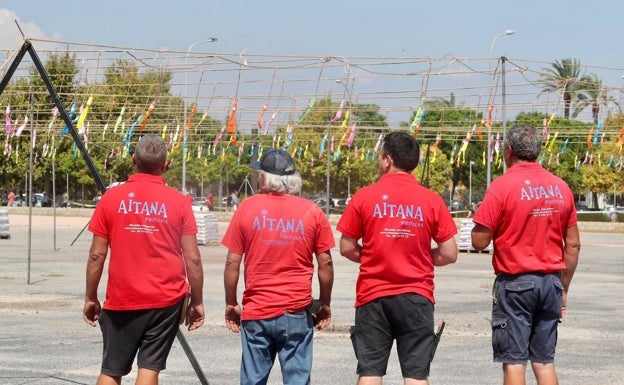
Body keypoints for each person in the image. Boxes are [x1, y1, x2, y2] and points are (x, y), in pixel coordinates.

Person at [336, 131, 458, 385]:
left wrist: (374, 255)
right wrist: (421, 257)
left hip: (372, 296)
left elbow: (346, 247)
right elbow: (449, 253)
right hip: (417, 297)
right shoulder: (431, 200)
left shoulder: (364, 196)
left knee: (370, 372)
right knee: (415, 375)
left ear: (388, 159)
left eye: (381, 157)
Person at [83, 134, 205, 385]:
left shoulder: (111, 198)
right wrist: (198, 300)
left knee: (111, 369)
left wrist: (90, 296)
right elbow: (192, 258)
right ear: (165, 165)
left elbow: (97, 254)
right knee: (149, 369)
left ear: (133, 159)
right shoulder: (180, 203)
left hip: (121, 298)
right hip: (165, 299)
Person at [471, 124, 581, 385]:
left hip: (515, 284)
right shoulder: (561, 187)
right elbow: (573, 245)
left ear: (508, 151)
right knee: (544, 361)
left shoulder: (502, 186)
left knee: (514, 361)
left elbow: (478, 240)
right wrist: (562, 287)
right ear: (538, 151)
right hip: (551, 283)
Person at [222, 148, 334, 385]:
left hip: (257, 311)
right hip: (296, 311)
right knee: (297, 380)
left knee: (253, 379)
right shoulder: (313, 212)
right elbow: (325, 262)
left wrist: (231, 303)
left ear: (264, 178)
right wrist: (325, 303)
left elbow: (232, 261)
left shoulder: (247, 208)